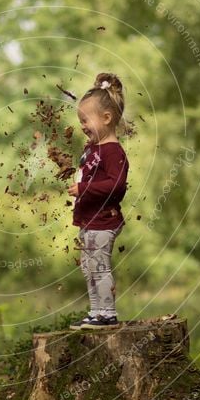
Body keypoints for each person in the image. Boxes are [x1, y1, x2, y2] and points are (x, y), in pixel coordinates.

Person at [68, 73, 129, 330]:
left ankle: (107, 313)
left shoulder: (114, 151)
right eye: (80, 120)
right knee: (88, 267)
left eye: (86, 119)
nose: (82, 125)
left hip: (104, 221)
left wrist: (83, 187)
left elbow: (115, 185)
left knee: (100, 266)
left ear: (106, 118)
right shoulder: (93, 149)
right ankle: (95, 311)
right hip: (89, 220)